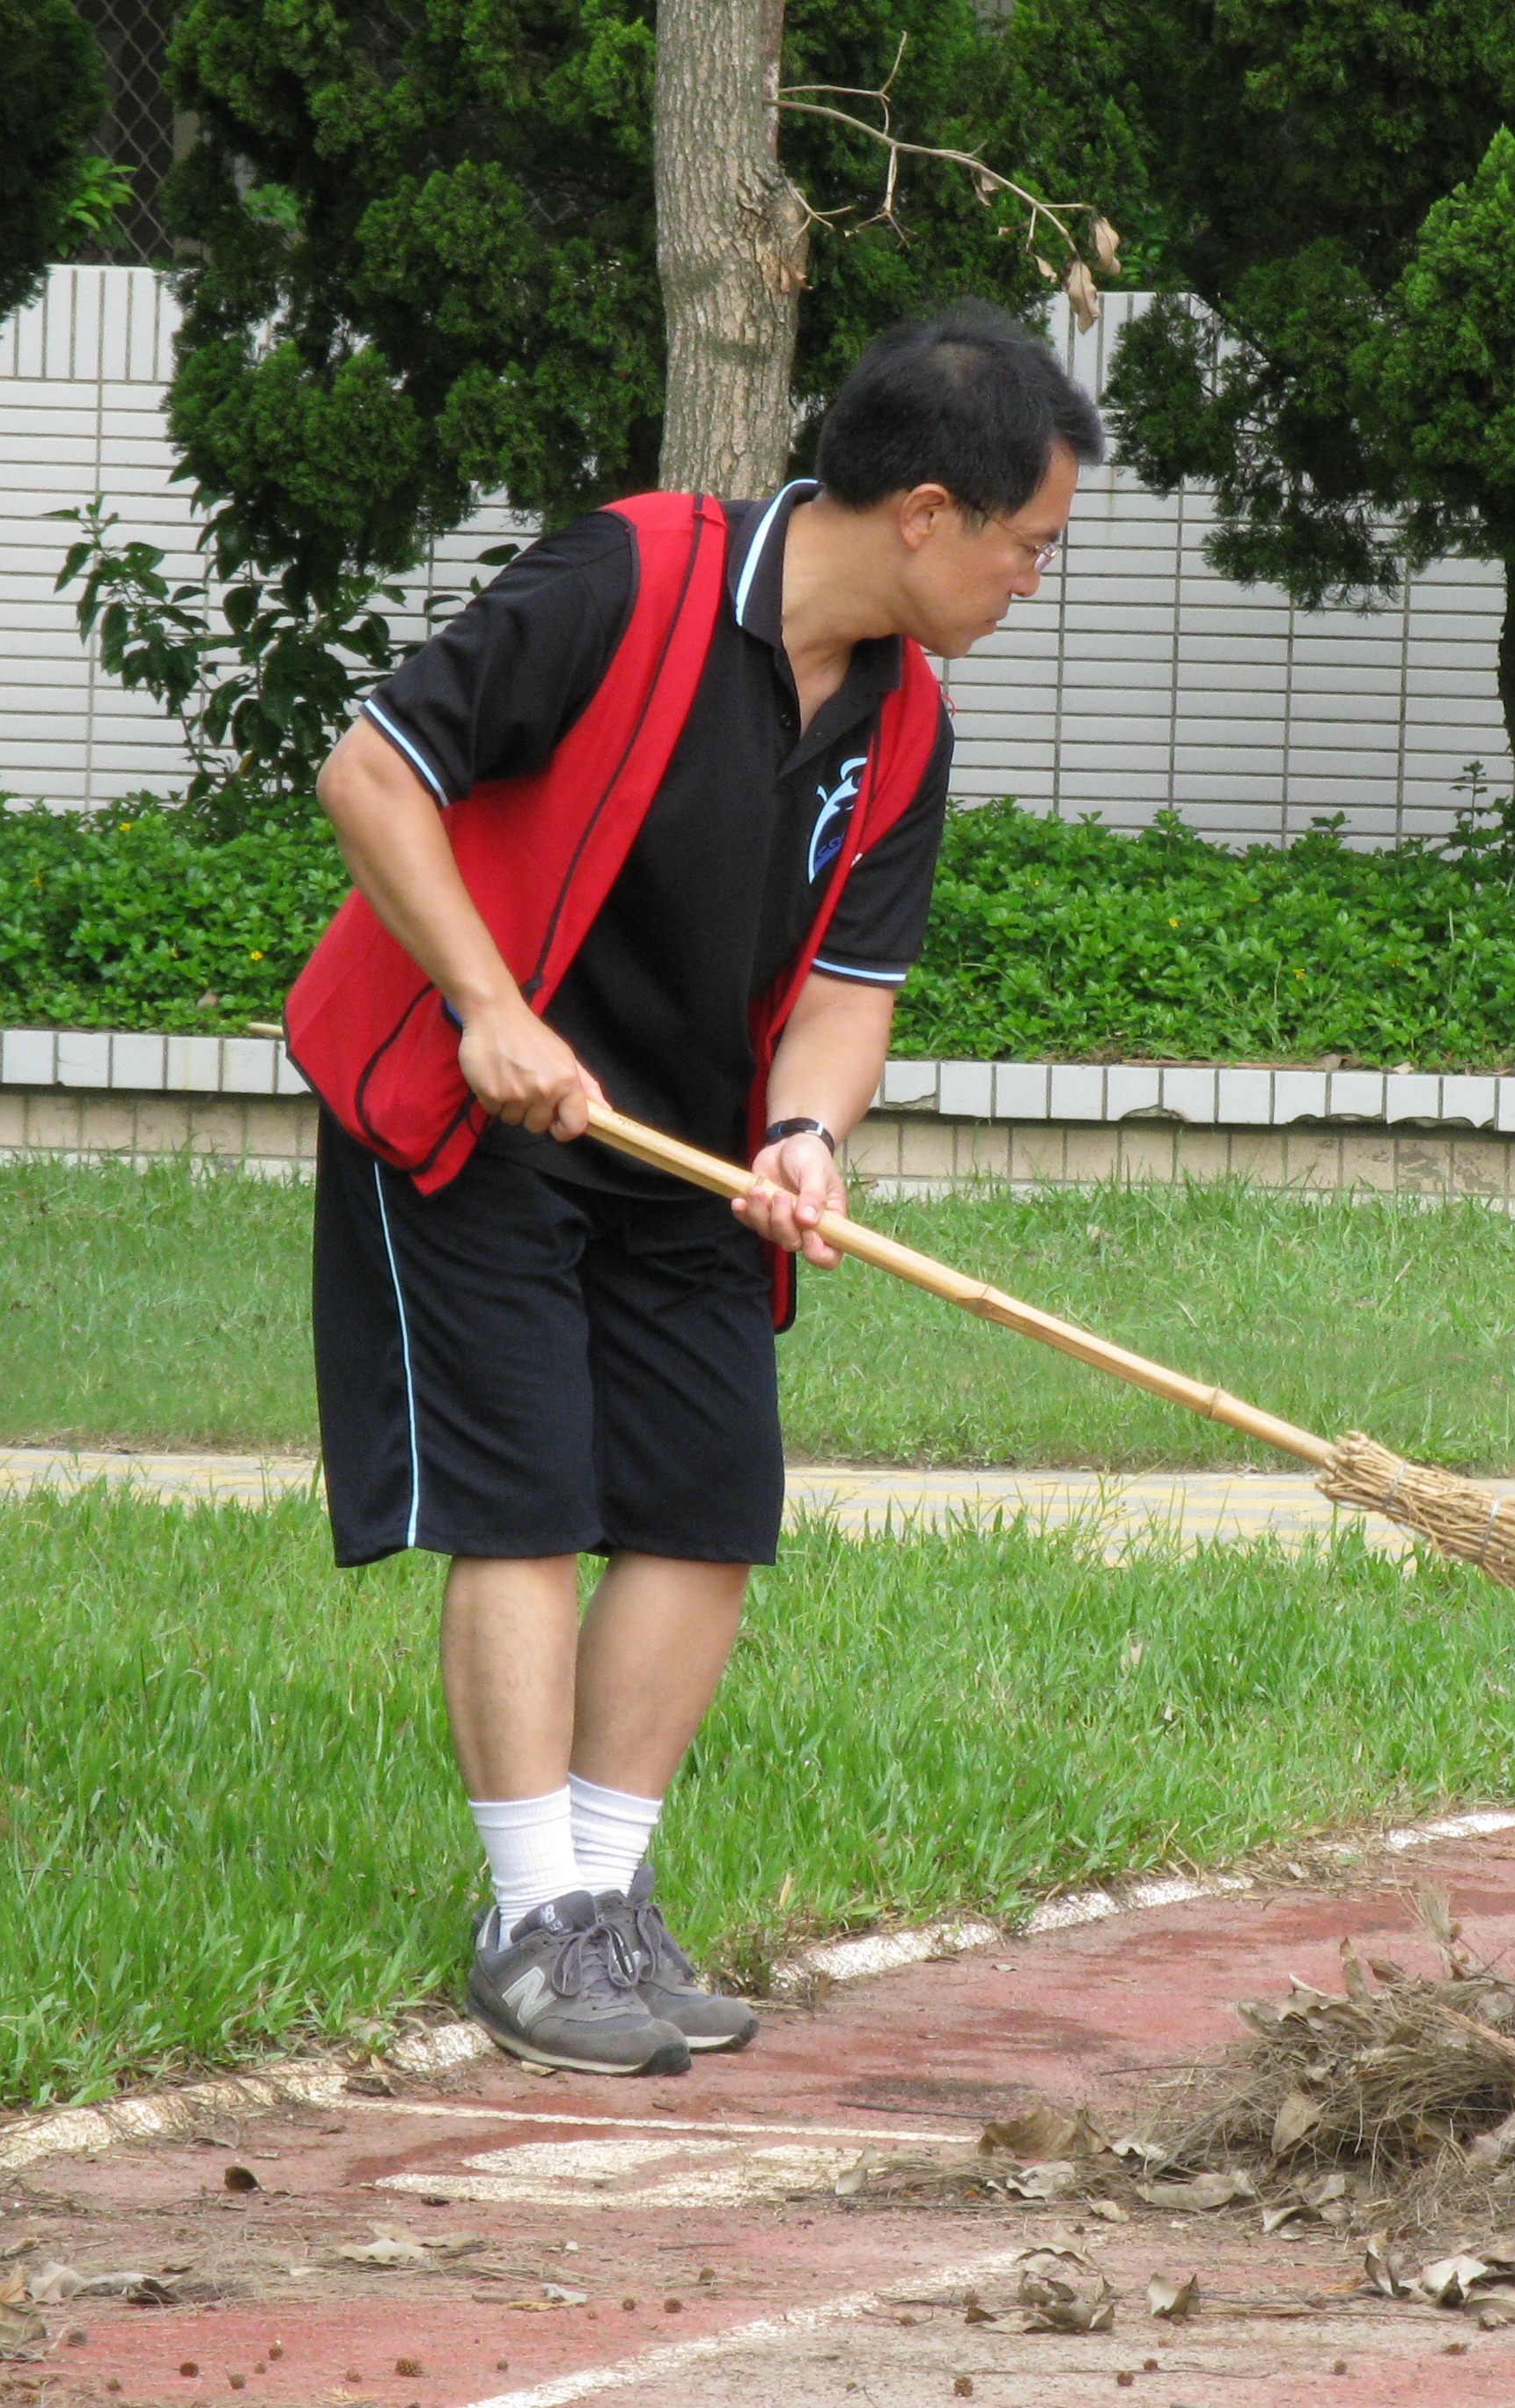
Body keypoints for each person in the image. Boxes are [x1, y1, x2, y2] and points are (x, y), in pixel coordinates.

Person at [305, 302, 1103, 2075]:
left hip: (680, 1142)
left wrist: (807, 1137)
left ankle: (606, 1894)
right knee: (520, 1494)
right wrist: (490, 1009)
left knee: (708, 1498)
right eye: (1028, 547)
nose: (1032, 583)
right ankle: (524, 1920)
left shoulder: (907, 723)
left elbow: (848, 991)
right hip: (476, 1103)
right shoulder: (633, 579)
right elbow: (372, 770)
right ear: (921, 515)